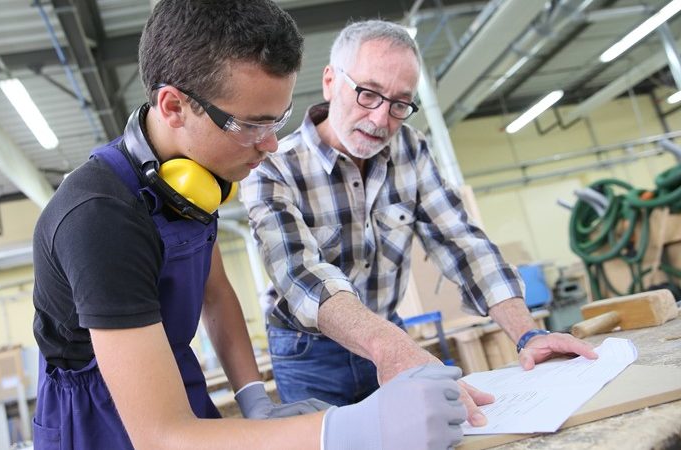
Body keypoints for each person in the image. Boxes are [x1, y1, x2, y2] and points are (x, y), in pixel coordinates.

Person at [31, 3, 467, 449]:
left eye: (277, 120)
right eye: (251, 124)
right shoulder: (100, 218)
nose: (272, 144)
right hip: (101, 423)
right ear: (174, 106)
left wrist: (253, 396)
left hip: (177, 389)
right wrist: (352, 429)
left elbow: (215, 291)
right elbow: (162, 437)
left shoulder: (189, 176)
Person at [240, 19, 598, 427]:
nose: (380, 120)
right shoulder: (271, 168)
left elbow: (461, 242)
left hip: (389, 330)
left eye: (399, 104)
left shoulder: (411, 148)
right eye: (368, 94)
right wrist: (390, 346)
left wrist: (528, 334)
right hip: (308, 352)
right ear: (329, 81)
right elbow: (301, 273)